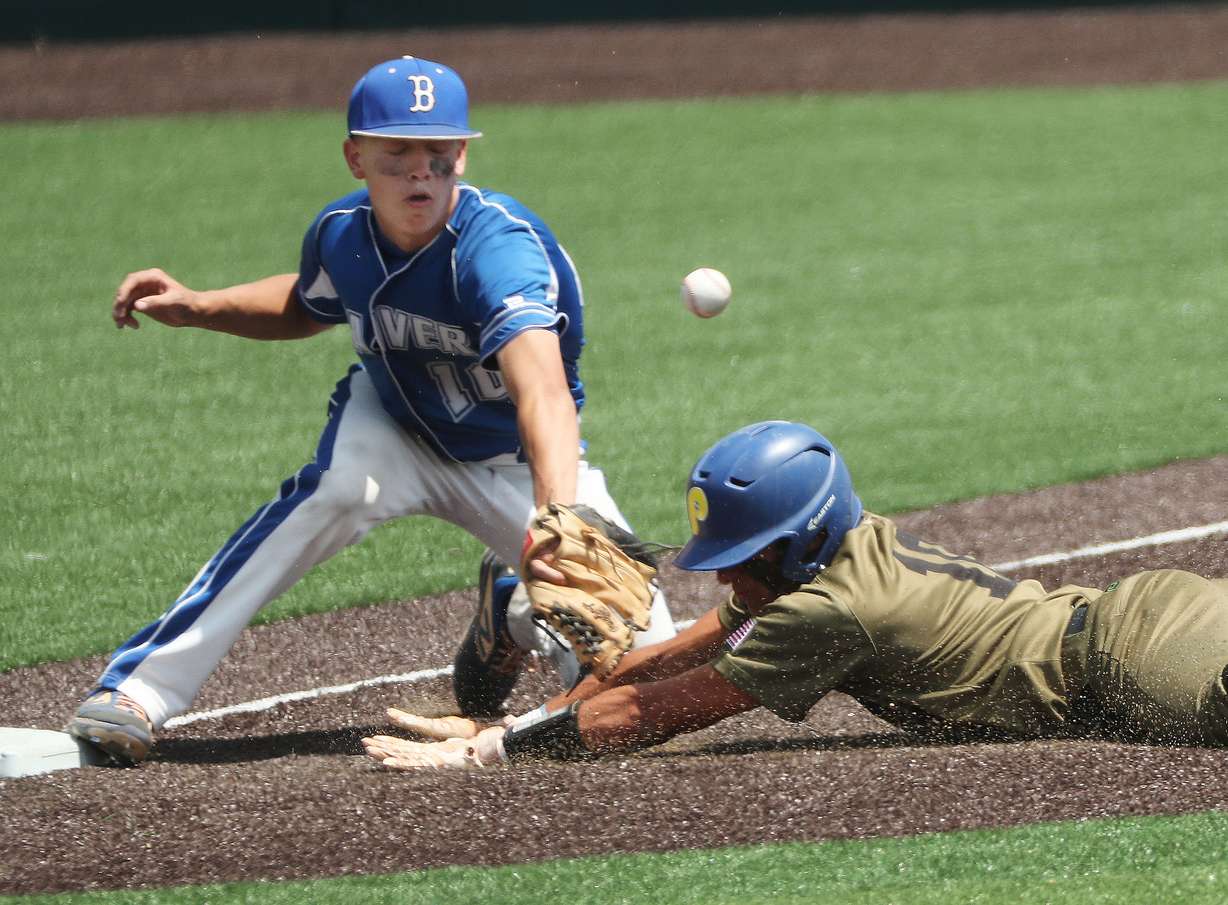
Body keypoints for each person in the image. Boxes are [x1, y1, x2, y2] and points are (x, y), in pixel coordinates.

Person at [67, 55, 676, 766]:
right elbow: (307, 300)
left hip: (511, 458)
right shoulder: (342, 233)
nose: (421, 172)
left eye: (438, 154)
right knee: (328, 493)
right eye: (398, 155)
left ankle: (513, 605)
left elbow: (541, 389)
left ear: (463, 154)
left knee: (645, 683)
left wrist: (557, 520)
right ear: (356, 157)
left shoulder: (496, 251)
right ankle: (139, 689)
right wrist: (199, 305)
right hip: (394, 430)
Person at [363, 420, 1228, 770]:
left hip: (1136, 658)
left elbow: (657, 711)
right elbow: (671, 653)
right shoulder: (829, 554)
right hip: (1146, 610)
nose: (723, 575)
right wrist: (513, 721)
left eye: (740, 556)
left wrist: (489, 757)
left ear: (797, 540)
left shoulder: (826, 607)